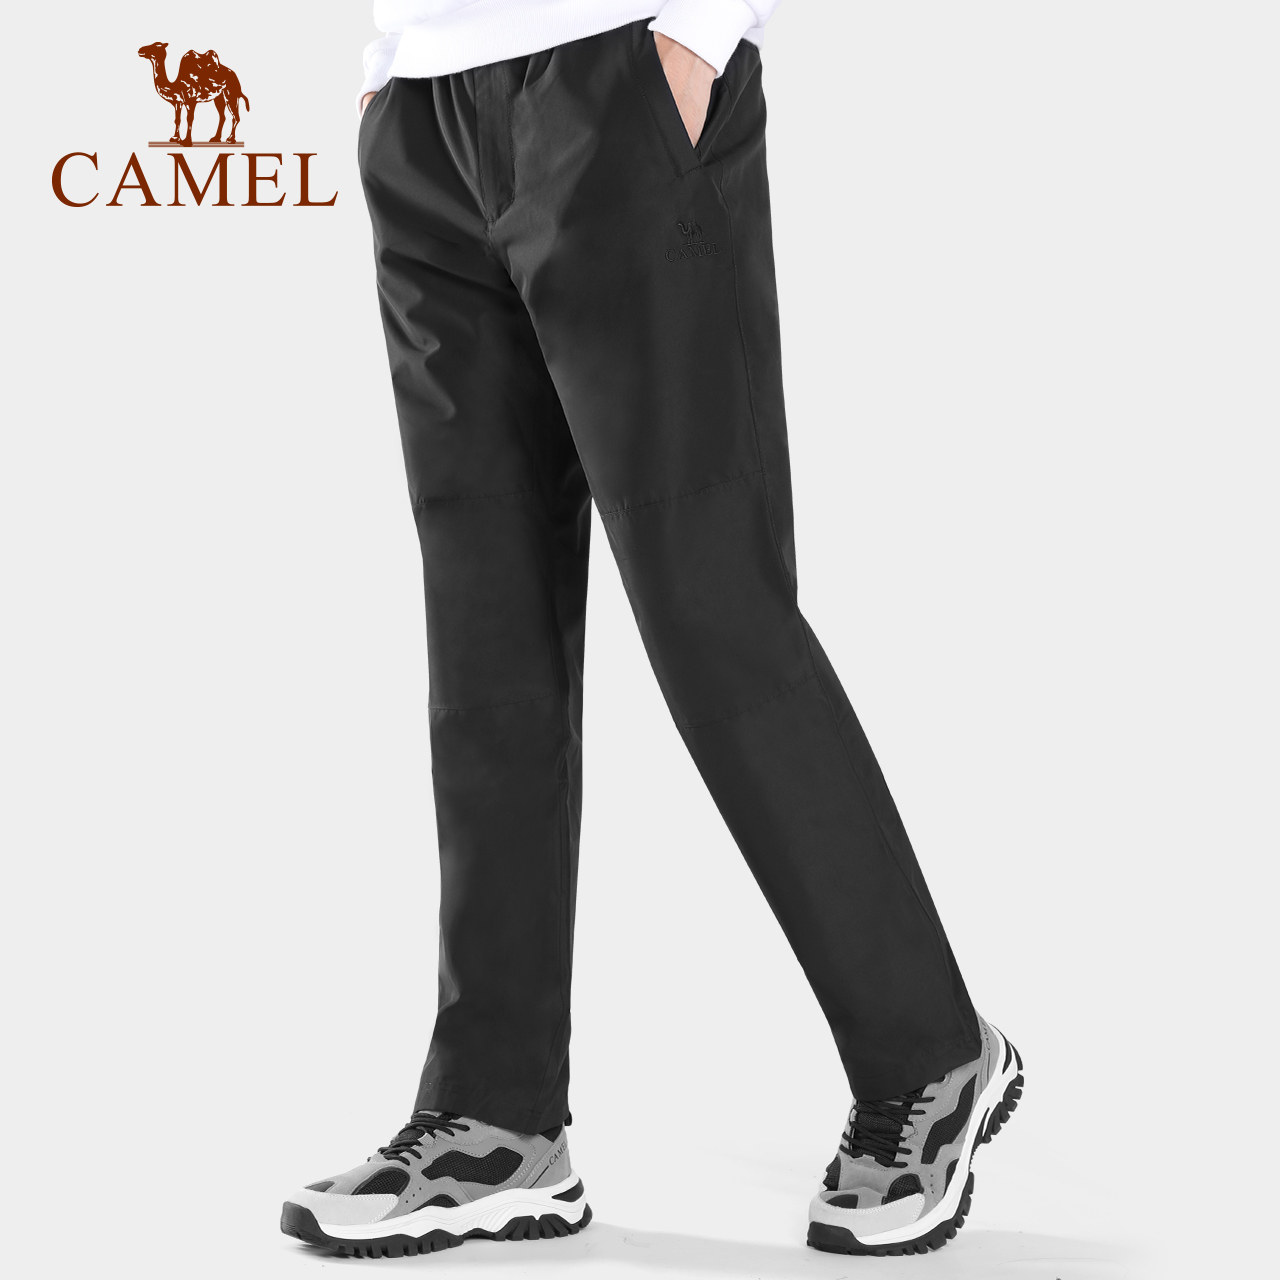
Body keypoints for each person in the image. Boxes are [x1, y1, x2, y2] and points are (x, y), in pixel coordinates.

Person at [280, 0, 1022, 1258]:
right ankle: (495, 1117)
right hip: (423, 110)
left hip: (617, 72)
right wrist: (387, 65)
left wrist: (698, 30)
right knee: (485, 644)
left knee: (711, 609)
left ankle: (928, 1053)